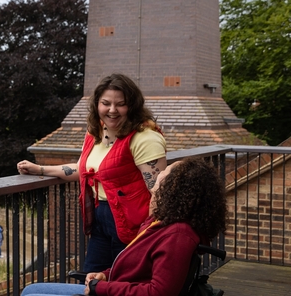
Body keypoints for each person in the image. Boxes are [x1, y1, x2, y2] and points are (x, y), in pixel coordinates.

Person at [17, 73, 167, 272]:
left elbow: (159, 192)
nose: (112, 110)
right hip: (100, 218)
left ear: (132, 106)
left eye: (120, 104)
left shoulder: (144, 138)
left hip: (133, 224)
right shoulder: (95, 132)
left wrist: (149, 233)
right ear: (97, 104)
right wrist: (40, 170)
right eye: (106, 103)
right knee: (91, 277)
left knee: (125, 282)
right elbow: (83, 169)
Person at [20, 157, 228, 296]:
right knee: (31, 289)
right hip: (112, 287)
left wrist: (101, 288)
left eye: (165, 174)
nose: (158, 175)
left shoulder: (178, 235)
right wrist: (105, 275)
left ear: (175, 188)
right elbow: (134, 266)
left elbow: (158, 292)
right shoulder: (159, 222)